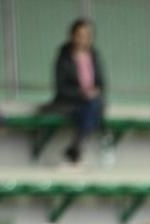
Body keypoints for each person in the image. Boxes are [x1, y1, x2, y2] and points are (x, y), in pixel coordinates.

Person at [49, 18, 106, 164]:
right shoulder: (64, 57)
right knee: (93, 106)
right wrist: (82, 93)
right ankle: (77, 146)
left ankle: (76, 145)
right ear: (72, 36)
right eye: (80, 35)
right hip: (69, 102)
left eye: (87, 35)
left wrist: (94, 92)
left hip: (91, 102)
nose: (84, 39)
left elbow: (101, 82)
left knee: (94, 104)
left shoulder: (94, 55)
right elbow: (60, 87)